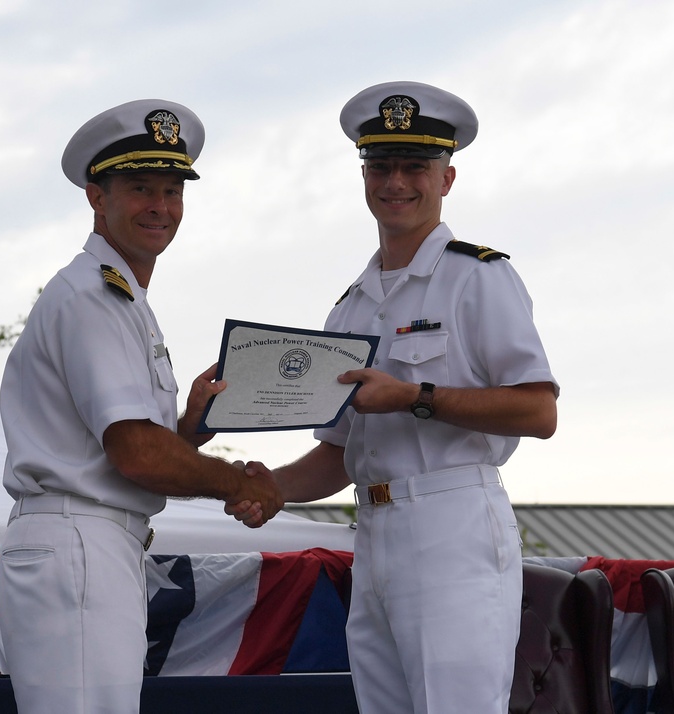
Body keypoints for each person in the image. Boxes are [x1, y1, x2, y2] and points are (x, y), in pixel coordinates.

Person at [229, 81, 559, 713]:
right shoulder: (350, 306)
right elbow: (336, 454)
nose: (396, 182)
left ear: (447, 178)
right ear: (364, 178)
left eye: (415, 167)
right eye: (380, 167)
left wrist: (415, 396)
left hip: (451, 521)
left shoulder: (477, 276)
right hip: (373, 529)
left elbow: (538, 410)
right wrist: (268, 486)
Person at [0, 99, 282, 714]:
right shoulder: (93, 296)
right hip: (79, 541)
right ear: (96, 197)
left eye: (173, 190)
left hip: (94, 543)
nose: (160, 206)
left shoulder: (122, 297)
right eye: (140, 188)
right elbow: (136, 454)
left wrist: (187, 434)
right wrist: (238, 482)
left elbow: (128, 445)